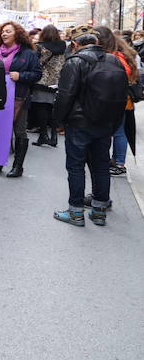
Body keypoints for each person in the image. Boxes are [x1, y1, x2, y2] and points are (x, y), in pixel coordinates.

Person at [52, 26, 128, 226]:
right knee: (101, 166)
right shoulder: (115, 61)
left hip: (79, 122)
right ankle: (99, 210)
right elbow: (122, 95)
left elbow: (65, 95)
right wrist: (115, 123)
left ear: (76, 45)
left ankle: (75, 212)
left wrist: (57, 121)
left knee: (76, 167)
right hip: (105, 122)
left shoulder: (75, 61)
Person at [0, 21, 41, 178]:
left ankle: (18, 166)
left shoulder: (28, 53)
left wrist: (21, 76)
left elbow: (37, 74)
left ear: (17, 34)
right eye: (2, 31)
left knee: (19, 131)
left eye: (8, 31)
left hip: (19, 96)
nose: (4, 34)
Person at [95, 26, 137, 178]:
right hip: (120, 99)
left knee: (118, 132)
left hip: (119, 100)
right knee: (118, 132)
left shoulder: (116, 56)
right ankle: (116, 161)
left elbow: (123, 76)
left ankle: (119, 163)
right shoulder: (121, 53)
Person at [30, 25, 66, 147]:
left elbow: (35, 63)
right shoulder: (62, 47)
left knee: (41, 108)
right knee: (51, 109)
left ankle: (44, 134)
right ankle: (53, 136)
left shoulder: (40, 47)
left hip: (41, 81)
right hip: (56, 81)